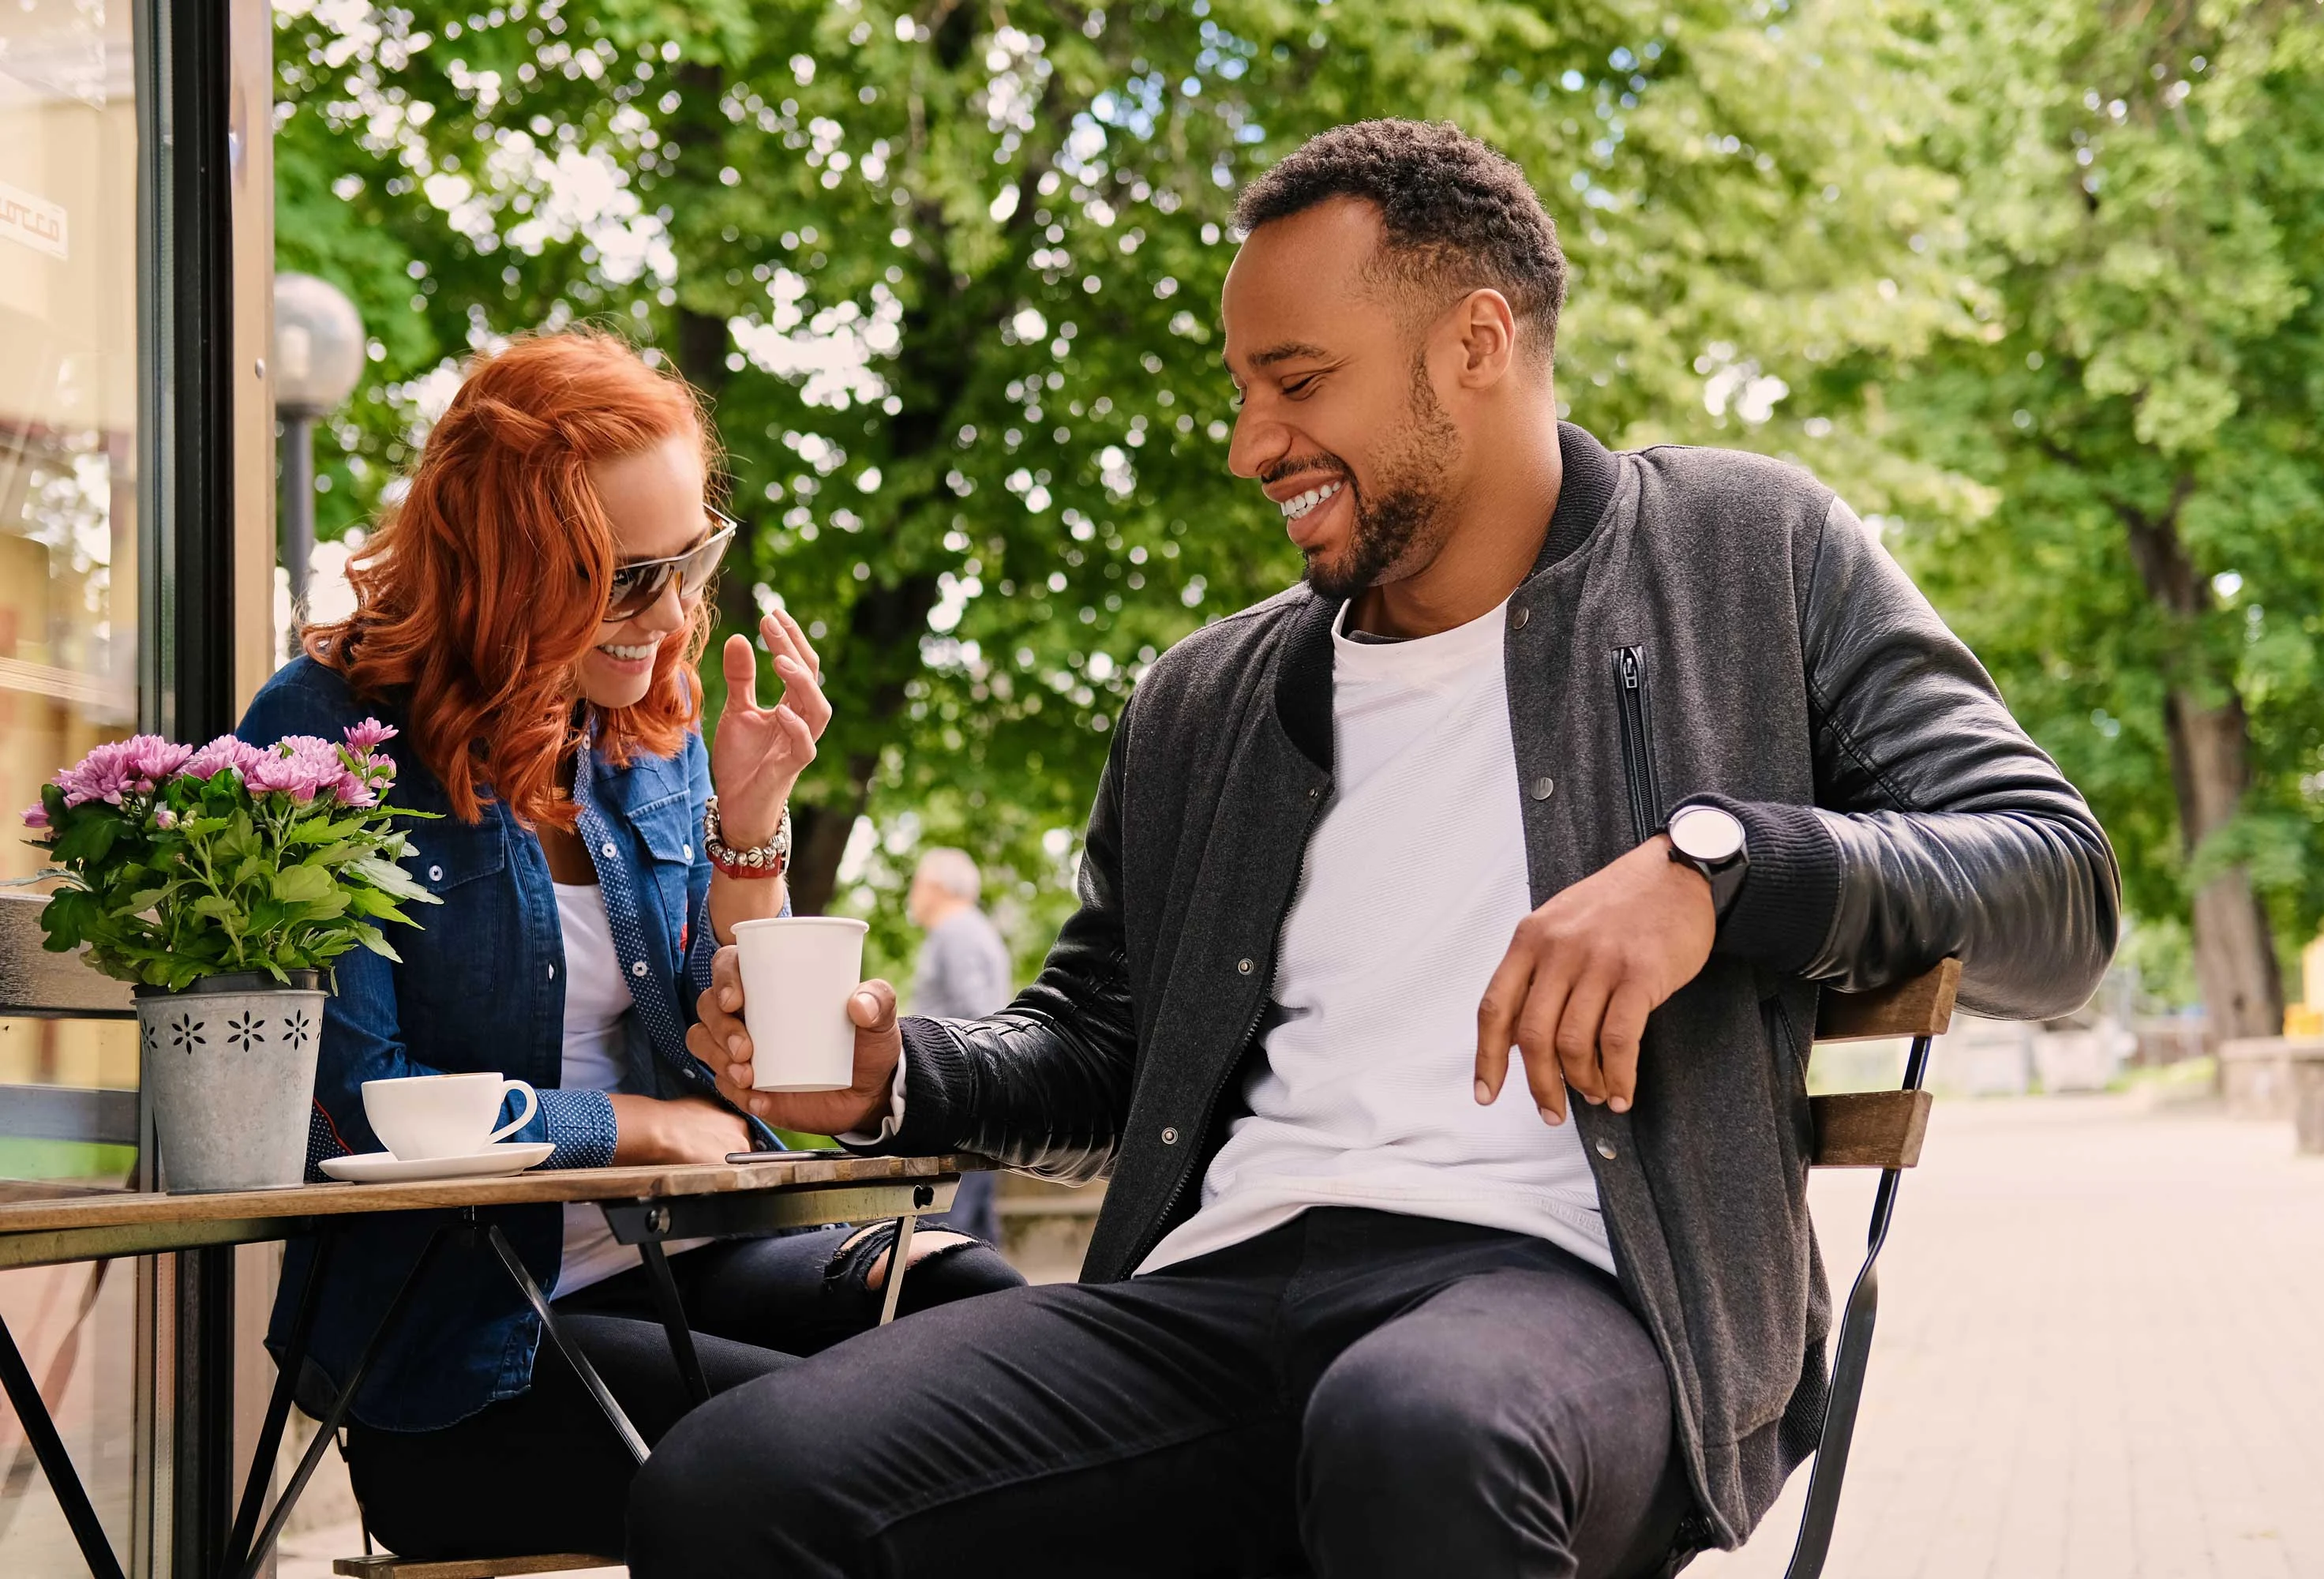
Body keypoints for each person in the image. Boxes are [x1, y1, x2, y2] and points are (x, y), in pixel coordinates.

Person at [630, 122, 2120, 1579]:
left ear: (1476, 342)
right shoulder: (1205, 699)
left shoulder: (1749, 552)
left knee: (1412, 1437)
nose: (1249, 443)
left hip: (1578, 1296)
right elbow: (1102, 1053)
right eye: (1241, 388)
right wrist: (901, 1078)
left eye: (1297, 381)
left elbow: (2057, 883)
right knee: (733, 1483)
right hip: (1217, 1291)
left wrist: (1716, 871)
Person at [235, 329, 1021, 1562]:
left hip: (676, 1264)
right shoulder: (323, 733)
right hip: (458, 1353)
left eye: (685, 564)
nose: (664, 619)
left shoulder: (649, 731)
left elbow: (749, 1079)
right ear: (505, 562)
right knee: (846, 1459)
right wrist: (628, 1130)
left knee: (977, 1313)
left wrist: (750, 835)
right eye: (618, 579)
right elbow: (347, 1110)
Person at [905, 847, 1013, 1243]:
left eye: (917, 884)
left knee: (949, 1227)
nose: (913, 895)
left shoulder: (956, 932)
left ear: (936, 887)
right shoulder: (976, 929)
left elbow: (977, 1015)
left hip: (957, 1099)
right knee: (977, 1227)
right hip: (976, 1100)